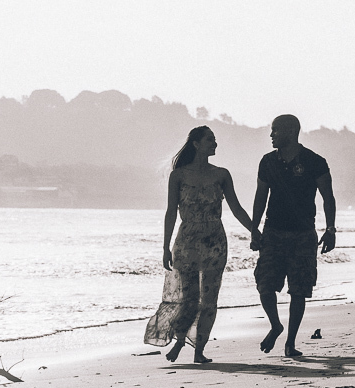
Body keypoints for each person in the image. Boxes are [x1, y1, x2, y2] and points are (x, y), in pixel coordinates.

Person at [144, 126, 257, 363]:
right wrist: (165, 247)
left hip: (215, 241)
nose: (215, 144)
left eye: (215, 140)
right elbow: (171, 212)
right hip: (187, 242)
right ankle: (180, 340)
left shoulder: (222, 174)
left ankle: (199, 351)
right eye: (210, 140)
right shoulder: (178, 175)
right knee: (189, 298)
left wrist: (255, 231)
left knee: (210, 299)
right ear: (196, 144)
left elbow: (236, 208)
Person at [251, 114, 336, 357]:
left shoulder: (314, 161)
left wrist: (330, 229)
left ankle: (290, 342)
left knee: (299, 290)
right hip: (273, 232)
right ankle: (275, 325)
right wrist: (254, 229)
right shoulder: (267, 161)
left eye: (275, 130)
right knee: (265, 284)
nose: (271, 135)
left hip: (303, 234)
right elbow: (260, 197)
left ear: (290, 131)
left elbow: (328, 197)